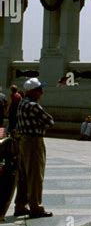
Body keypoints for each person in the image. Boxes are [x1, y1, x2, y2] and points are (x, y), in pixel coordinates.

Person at [14, 78, 54, 218]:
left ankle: (20, 205)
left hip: (23, 141)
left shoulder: (21, 104)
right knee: (36, 175)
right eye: (39, 90)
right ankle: (36, 207)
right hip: (34, 142)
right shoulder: (33, 105)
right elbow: (50, 121)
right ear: (32, 92)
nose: (42, 92)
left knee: (24, 175)